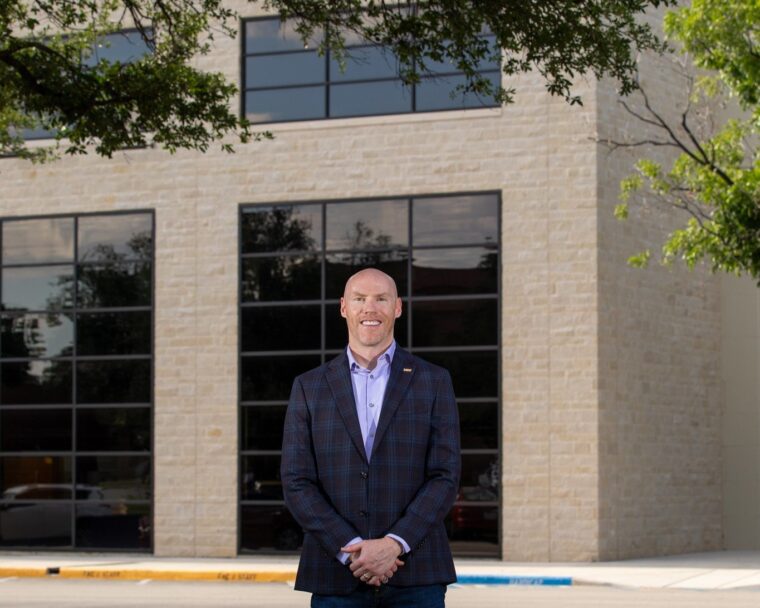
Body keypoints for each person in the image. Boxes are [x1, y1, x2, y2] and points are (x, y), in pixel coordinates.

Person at [281, 268, 461, 607]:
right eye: (359, 299)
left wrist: (394, 543)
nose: (370, 308)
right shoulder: (309, 387)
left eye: (381, 299)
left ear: (397, 307)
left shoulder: (434, 381)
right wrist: (351, 549)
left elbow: (445, 475)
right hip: (336, 576)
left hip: (417, 574)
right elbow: (296, 481)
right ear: (343, 307)